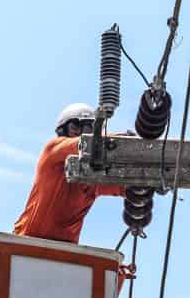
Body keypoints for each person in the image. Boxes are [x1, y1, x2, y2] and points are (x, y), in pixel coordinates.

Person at [13, 102, 124, 243]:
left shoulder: (93, 180)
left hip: (65, 254)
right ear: (62, 130)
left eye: (90, 128)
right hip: (25, 244)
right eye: (75, 127)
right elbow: (85, 144)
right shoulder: (52, 150)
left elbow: (126, 187)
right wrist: (125, 139)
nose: (83, 132)